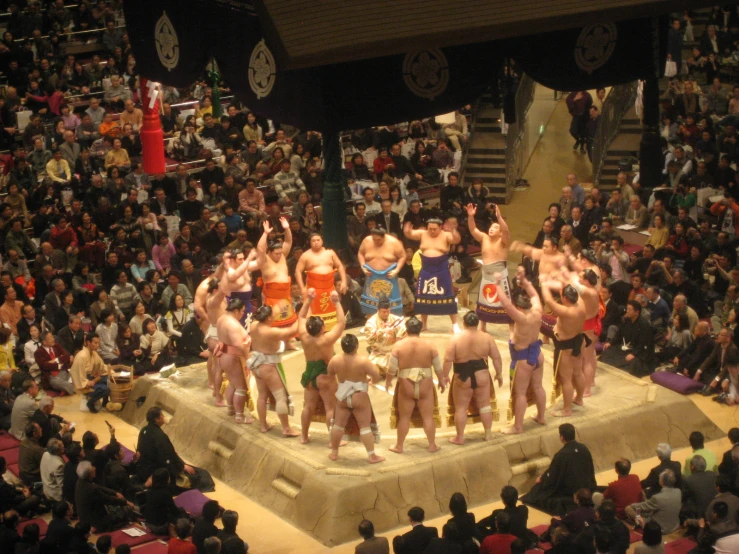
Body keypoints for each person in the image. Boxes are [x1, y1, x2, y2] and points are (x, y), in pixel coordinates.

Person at [494, 273, 546, 434]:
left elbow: (506, 305)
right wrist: (525, 281)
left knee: (520, 393)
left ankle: (518, 426)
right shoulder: (537, 310)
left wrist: (497, 284)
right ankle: (541, 417)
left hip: (523, 359)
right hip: (537, 354)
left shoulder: (522, 318)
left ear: (520, 307)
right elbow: (535, 294)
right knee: (538, 387)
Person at [442, 311, 502, 444]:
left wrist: (444, 376)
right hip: (481, 374)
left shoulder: (456, 339)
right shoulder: (487, 338)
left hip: (462, 376)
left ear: (464, 323)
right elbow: (496, 357)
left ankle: (460, 437)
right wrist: (499, 374)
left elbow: (447, 360)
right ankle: (488, 434)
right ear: (478, 323)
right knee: (485, 405)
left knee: (461, 408)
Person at [384, 317, 442, 453]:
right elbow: (438, 367)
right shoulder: (429, 345)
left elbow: (391, 369)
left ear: (406, 330)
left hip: (406, 386)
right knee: (428, 417)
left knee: (404, 417)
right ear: (420, 329)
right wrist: (442, 380)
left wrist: (387, 382)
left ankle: (399, 446)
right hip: (425, 384)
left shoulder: (398, 346)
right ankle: (432, 445)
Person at [298, 288, 346, 444]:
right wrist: (336, 302)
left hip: (309, 374)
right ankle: (333, 441)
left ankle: (304, 437)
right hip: (325, 376)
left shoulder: (304, 337)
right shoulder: (326, 340)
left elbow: (301, 316)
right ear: (322, 329)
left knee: (308, 407)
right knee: (330, 408)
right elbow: (341, 322)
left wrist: (309, 300)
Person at [328, 334, 383, 463]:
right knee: (364, 426)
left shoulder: (335, 360)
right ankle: (372, 456)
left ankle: (334, 453)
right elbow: (376, 376)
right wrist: (369, 380)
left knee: (338, 425)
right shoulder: (363, 361)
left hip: (342, 395)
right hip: (360, 396)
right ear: (356, 346)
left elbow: (329, 374)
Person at [246, 305, 300, 437]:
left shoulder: (254, 325)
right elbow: (293, 330)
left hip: (257, 366)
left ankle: (263, 426)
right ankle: (286, 428)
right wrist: (301, 315)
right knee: (280, 397)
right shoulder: (272, 332)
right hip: (268, 367)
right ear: (268, 317)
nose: (274, 318)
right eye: (272, 316)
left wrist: (276, 309)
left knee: (262, 396)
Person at [522, 424, 597, 516]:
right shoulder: (583, 448)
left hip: (570, 490)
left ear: (561, 437)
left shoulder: (561, 455)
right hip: (587, 486)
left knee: (538, 489)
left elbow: (552, 475)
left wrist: (542, 478)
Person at [136, 407, 215, 492]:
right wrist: (182, 466)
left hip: (144, 467)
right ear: (157, 419)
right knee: (201, 475)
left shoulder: (143, 430)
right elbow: (168, 457)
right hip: (157, 471)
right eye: (162, 415)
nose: (163, 417)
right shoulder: (160, 436)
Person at [403, 218, 461, 332]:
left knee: (448, 296)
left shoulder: (446, 235)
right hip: (426, 270)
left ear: (440, 227)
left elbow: (456, 240)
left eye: (435, 229)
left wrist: (453, 230)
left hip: (441, 270)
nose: (432, 231)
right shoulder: (423, 234)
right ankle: (424, 324)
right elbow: (410, 234)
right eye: (430, 229)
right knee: (424, 298)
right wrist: (407, 230)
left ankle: (454, 324)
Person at [540, 282, 587, 416]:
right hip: (579, 342)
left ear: (565, 298)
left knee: (566, 378)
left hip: (566, 347)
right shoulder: (581, 303)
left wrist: (544, 284)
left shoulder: (566, 311)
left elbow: (548, 300)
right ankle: (579, 399)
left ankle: (567, 410)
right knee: (578, 373)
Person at [468, 204, 512, 328]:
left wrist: (499, 217)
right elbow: (472, 230)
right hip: (486, 275)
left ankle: (511, 328)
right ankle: (483, 326)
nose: (491, 229)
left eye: (495, 227)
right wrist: (471, 216)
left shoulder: (504, 241)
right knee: (484, 302)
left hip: (500, 275)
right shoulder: (484, 238)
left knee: (506, 303)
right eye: (491, 227)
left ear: (500, 232)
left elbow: (506, 230)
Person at [214, 298, 255, 425]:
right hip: (234, 357)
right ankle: (239, 416)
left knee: (232, 383)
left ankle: (231, 409)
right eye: (242, 311)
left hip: (225, 355)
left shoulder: (222, 319)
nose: (243, 313)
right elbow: (239, 344)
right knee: (241, 387)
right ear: (236, 310)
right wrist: (248, 358)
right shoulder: (232, 324)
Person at [295, 233, 347, 330]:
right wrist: (302, 288)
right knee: (310, 312)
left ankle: (335, 332)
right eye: (313, 240)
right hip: (313, 289)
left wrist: (344, 281)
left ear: (322, 241)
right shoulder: (305, 255)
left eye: (318, 240)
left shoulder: (330, 253)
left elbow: (340, 266)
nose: (316, 242)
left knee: (335, 309)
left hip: (329, 287)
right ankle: (312, 333)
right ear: (310, 243)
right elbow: (298, 271)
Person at [256, 219, 297, 331]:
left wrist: (287, 229)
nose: (279, 256)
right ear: (269, 252)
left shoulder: (283, 256)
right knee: (272, 323)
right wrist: (265, 233)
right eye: (276, 254)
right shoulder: (264, 260)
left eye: (280, 253)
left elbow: (288, 242)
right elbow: (260, 248)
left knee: (288, 322)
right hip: (271, 297)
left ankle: (288, 342)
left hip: (285, 296)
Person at [357, 227, 406, 315]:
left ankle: (392, 326)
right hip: (371, 276)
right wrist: (362, 266)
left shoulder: (394, 242)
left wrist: (397, 270)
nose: (376, 241)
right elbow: (360, 253)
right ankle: (372, 327)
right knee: (370, 307)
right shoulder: (367, 241)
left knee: (391, 307)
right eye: (374, 239)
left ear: (384, 236)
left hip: (389, 276)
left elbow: (402, 256)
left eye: (378, 240)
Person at [600, 300, 656, 377]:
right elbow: (619, 334)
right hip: (626, 347)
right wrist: (611, 342)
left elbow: (644, 343)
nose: (627, 311)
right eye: (627, 309)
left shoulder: (644, 325)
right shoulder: (627, 320)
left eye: (630, 309)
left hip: (640, 351)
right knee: (608, 350)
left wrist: (634, 354)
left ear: (637, 312)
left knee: (633, 362)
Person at [74, 460, 133, 532]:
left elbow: (100, 488)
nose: (94, 468)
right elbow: (109, 499)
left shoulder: (80, 481)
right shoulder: (92, 489)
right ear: (90, 474)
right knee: (127, 509)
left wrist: (115, 493)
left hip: (86, 516)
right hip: (96, 522)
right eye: (93, 468)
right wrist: (126, 502)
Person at [625, 470, 681, 534]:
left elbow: (639, 506)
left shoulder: (657, 498)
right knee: (644, 499)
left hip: (659, 528)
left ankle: (639, 522)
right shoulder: (678, 491)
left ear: (662, 482)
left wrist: (634, 505)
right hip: (674, 526)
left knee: (629, 508)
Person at [363, 297, 407, 377]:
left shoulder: (395, 318)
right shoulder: (371, 322)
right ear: (378, 310)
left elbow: (404, 328)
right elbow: (370, 340)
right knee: (371, 371)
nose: (386, 314)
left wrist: (399, 336)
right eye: (384, 312)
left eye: (388, 311)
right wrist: (382, 332)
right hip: (379, 354)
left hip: (395, 353)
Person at [69, 333, 112, 413]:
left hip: (93, 377)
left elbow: (102, 366)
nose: (97, 345)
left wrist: (111, 371)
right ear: (88, 342)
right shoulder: (81, 356)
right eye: (95, 343)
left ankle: (105, 403)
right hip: (84, 382)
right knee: (105, 389)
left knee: (109, 380)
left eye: (98, 343)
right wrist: (92, 381)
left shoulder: (94, 353)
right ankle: (90, 403)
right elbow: (79, 375)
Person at [142, 469, 184, 536]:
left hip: (148, 523)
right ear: (166, 479)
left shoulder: (149, 490)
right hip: (159, 527)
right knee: (182, 516)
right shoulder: (165, 493)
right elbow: (174, 511)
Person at [34, 330, 75, 395]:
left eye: (52, 337)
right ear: (44, 342)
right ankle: (71, 389)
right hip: (51, 376)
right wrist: (58, 365)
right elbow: (44, 365)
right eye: (50, 338)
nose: (53, 339)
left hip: (63, 372)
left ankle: (64, 389)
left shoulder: (57, 346)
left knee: (72, 374)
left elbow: (66, 356)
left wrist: (56, 360)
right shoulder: (38, 353)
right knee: (59, 382)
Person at [40, 437, 65, 502]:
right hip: (55, 494)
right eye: (61, 445)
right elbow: (62, 485)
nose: (63, 446)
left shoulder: (45, 454)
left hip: (46, 488)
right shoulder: (58, 465)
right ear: (57, 451)